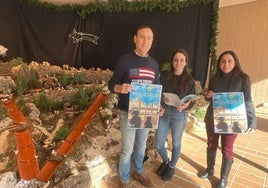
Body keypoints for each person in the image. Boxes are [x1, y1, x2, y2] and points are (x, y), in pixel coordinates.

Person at [108, 25, 162, 188]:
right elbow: (112, 83)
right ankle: (124, 179)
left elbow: (157, 87)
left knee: (141, 146)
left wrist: (158, 105)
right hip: (128, 112)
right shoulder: (125, 60)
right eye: (142, 37)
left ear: (152, 41)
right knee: (127, 148)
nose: (146, 41)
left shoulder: (153, 64)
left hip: (146, 113)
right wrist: (119, 88)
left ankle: (138, 172)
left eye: (149, 38)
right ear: (135, 39)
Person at [199, 50, 256, 188]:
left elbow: (247, 100)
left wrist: (252, 120)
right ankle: (210, 169)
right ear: (219, 64)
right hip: (212, 117)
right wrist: (208, 95)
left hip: (232, 119)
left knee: (227, 149)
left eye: (229, 61)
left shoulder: (243, 79)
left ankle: (223, 179)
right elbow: (209, 97)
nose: (226, 64)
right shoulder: (214, 78)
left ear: (235, 62)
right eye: (223, 61)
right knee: (211, 145)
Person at [155, 49, 196, 181]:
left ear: (185, 63)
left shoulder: (190, 80)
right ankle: (166, 161)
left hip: (179, 115)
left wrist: (187, 105)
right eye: (176, 60)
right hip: (164, 113)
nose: (178, 63)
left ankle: (172, 166)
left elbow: (193, 100)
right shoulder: (165, 76)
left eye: (181, 60)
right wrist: (161, 102)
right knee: (159, 144)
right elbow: (158, 92)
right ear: (172, 62)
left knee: (176, 144)